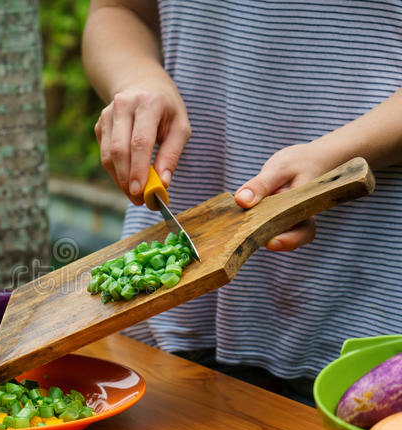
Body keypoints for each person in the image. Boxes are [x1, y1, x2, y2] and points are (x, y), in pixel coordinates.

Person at [82, 0, 402, 404]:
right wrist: (138, 80)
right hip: (169, 309)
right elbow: (116, 11)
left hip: (364, 303)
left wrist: (336, 156)